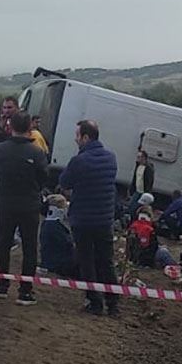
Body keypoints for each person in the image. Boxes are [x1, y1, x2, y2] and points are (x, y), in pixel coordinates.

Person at [59, 119, 119, 316]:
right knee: (106, 261)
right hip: (105, 219)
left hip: (83, 219)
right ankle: (113, 303)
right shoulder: (111, 158)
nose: (75, 139)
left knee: (86, 261)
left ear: (85, 137)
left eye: (77, 135)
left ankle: (94, 302)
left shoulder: (79, 160)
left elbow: (64, 182)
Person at [0, 112, 48, 305]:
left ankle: (2, 286)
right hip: (29, 205)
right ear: (30, 127)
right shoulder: (37, 152)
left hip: (5, 204)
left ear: (10, 126)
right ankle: (25, 291)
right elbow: (43, 177)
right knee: (30, 248)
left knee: (3, 245)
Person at [39, 194, 79, 278]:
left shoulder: (47, 224)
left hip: (53, 262)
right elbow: (68, 244)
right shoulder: (54, 226)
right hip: (59, 265)